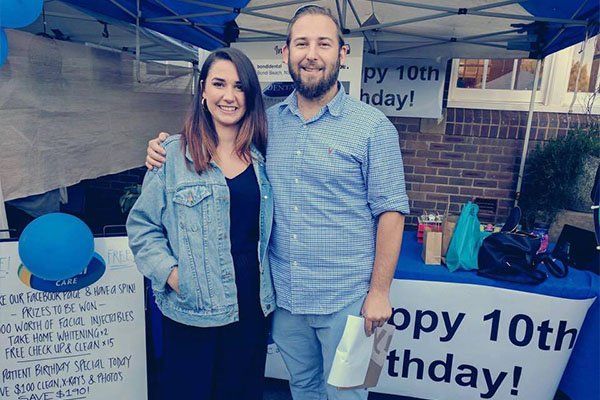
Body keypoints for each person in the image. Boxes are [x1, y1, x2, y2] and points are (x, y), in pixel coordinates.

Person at [145, 5, 409, 400]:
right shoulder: (266, 125)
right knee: (301, 388)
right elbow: (219, 156)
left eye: (324, 43)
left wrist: (380, 292)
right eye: (301, 43)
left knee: (351, 392)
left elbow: (392, 211)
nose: (312, 54)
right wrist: (160, 150)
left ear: (342, 53)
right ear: (285, 53)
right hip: (284, 299)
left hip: (350, 299)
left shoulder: (374, 127)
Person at [127, 47, 275, 400]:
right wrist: (174, 275)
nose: (229, 96)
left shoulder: (263, 157)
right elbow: (142, 227)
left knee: (241, 392)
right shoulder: (173, 155)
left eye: (239, 87)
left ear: (249, 95)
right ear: (203, 91)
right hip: (193, 309)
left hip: (251, 308)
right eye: (219, 84)